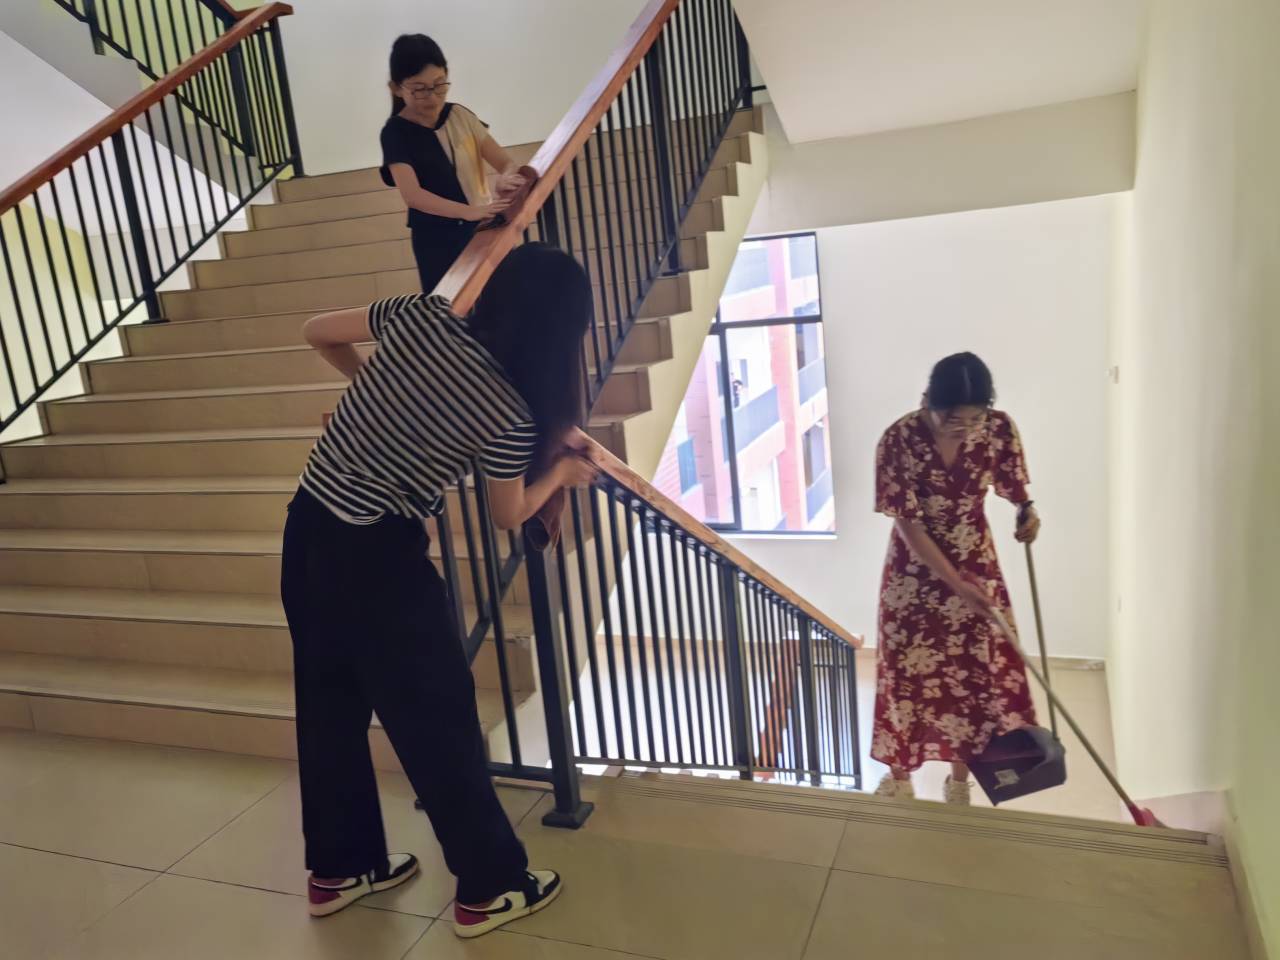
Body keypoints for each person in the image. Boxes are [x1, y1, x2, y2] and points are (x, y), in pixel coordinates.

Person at [281, 243, 598, 937]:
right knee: (439, 720)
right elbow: (510, 514)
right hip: (376, 557)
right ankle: (490, 888)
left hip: (306, 528)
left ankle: (340, 869)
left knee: (328, 705)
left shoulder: (420, 316)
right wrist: (563, 476)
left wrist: (380, 393)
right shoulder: (510, 412)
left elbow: (317, 331)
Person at [871, 352, 1042, 805]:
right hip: (913, 573)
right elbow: (908, 524)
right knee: (905, 670)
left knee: (971, 673)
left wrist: (1026, 512)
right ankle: (900, 778)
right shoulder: (899, 439)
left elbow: (1015, 486)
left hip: (975, 561)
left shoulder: (998, 429)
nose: (963, 428)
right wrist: (955, 584)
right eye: (951, 419)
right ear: (927, 400)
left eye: (973, 419)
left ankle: (960, 782)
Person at [380, 34, 525, 294]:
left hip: (484, 228)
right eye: (419, 89)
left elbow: (505, 163)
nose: (433, 97)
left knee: (504, 300)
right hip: (437, 240)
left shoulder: (460, 115)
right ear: (396, 88)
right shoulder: (395, 132)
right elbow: (413, 196)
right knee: (450, 309)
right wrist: (468, 212)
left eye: (439, 84)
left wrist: (506, 176)